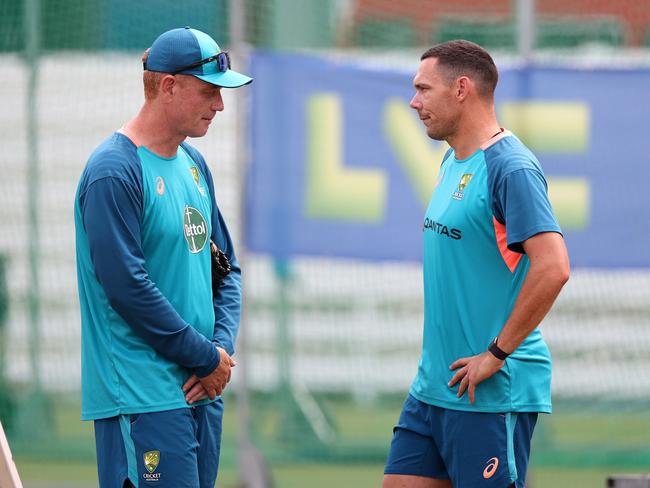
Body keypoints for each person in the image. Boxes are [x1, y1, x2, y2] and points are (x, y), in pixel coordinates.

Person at [382, 40, 570, 488]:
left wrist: (496, 354)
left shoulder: (511, 167)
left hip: (489, 391)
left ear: (462, 88)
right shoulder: (452, 160)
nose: (414, 101)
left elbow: (554, 267)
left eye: (423, 89)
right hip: (435, 388)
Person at [74, 27, 252, 488]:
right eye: (209, 92)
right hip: (141, 398)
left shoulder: (193, 164)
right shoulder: (114, 171)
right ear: (169, 86)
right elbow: (127, 288)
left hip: (201, 389)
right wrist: (203, 357)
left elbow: (226, 268)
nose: (219, 106)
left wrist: (220, 353)